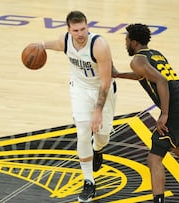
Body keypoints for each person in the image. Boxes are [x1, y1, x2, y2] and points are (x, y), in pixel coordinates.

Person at [112, 23, 179, 203]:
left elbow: (161, 80)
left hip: (175, 109)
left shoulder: (137, 60)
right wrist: (118, 74)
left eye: (127, 39)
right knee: (178, 147)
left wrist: (164, 114)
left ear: (134, 42)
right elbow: (142, 75)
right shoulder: (155, 54)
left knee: (153, 159)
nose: (125, 43)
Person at [33, 11, 117, 202]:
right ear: (69, 30)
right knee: (83, 133)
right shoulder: (65, 40)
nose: (80, 34)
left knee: (103, 135)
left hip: (102, 91)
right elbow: (57, 45)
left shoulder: (99, 46)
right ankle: (89, 182)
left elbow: (105, 83)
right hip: (79, 89)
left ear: (88, 26)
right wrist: (41, 45)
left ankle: (98, 149)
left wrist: (98, 111)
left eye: (83, 29)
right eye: (76, 30)